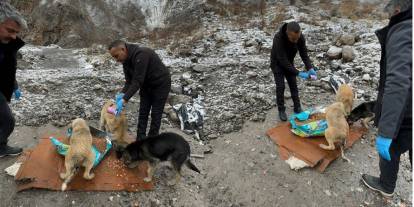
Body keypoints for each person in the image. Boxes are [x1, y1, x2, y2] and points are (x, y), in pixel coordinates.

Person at [361, 0, 412, 197]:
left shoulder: (403, 29)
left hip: (406, 111)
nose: (387, 17)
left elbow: (398, 83)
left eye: (388, 13)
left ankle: (386, 185)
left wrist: (387, 131)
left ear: (397, 10)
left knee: (391, 150)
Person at [108, 40, 171, 141]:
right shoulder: (126, 62)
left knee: (156, 113)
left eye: (116, 56)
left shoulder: (142, 54)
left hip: (160, 84)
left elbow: (137, 81)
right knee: (143, 112)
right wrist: (122, 94)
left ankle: (152, 142)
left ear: (123, 49)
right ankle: (140, 140)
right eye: (114, 57)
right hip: (146, 85)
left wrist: (124, 100)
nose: (116, 60)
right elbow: (129, 82)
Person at [270, 21, 317, 121]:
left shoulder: (300, 37)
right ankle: (281, 110)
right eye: (293, 39)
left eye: (297, 38)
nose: (296, 41)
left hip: (289, 63)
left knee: (293, 84)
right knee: (280, 86)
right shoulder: (278, 38)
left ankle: (297, 107)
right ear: (287, 33)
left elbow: (304, 54)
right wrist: (298, 73)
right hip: (277, 64)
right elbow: (282, 59)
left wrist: (310, 68)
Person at [0, 2, 27, 157]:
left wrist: (14, 85)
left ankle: (1, 147)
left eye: (16, 32)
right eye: (10, 30)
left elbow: (7, 68)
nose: (13, 36)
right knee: (8, 121)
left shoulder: (8, 44)